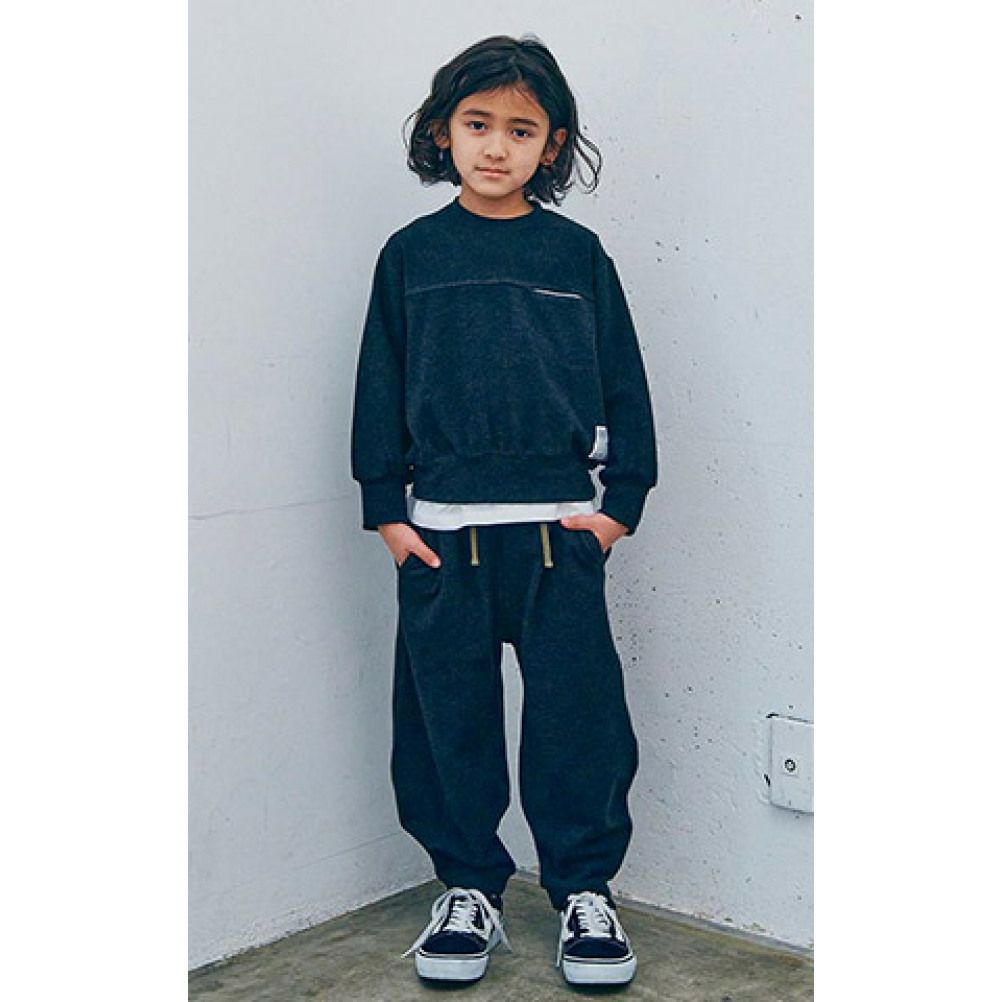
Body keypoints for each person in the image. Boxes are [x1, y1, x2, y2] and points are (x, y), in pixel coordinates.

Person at [350, 33, 658, 989]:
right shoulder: (411, 256)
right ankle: (467, 887)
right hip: (442, 538)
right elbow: (378, 385)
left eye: (521, 130)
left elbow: (624, 381)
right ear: (443, 132)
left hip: (562, 535)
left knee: (579, 719)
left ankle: (584, 890)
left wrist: (621, 504)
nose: (496, 145)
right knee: (447, 722)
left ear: (552, 145)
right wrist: (387, 509)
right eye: (477, 123)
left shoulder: (577, 255)